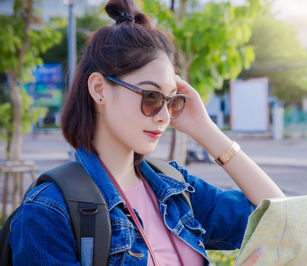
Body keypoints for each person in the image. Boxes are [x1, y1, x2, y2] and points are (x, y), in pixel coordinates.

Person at [9, 0, 285, 265]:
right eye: (151, 97)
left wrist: (205, 129)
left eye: (172, 101)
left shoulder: (173, 188)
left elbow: (281, 218)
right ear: (99, 89)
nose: (164, 116)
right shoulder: (50, 210)